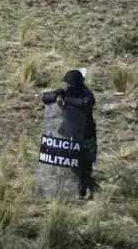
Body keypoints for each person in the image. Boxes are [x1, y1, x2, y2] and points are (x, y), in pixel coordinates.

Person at [40, 70, 98, 199]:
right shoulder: (64, 92)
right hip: (69, 134)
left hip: (86, 135)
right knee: (72, 163)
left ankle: (87, 188)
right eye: (69, 84)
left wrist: (67, 101)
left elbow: (86, 104)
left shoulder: (87, 94)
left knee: (86, 163)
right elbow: (45, 97)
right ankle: (82, 188)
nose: (70, 87)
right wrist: (57, 97)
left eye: (73, 84)